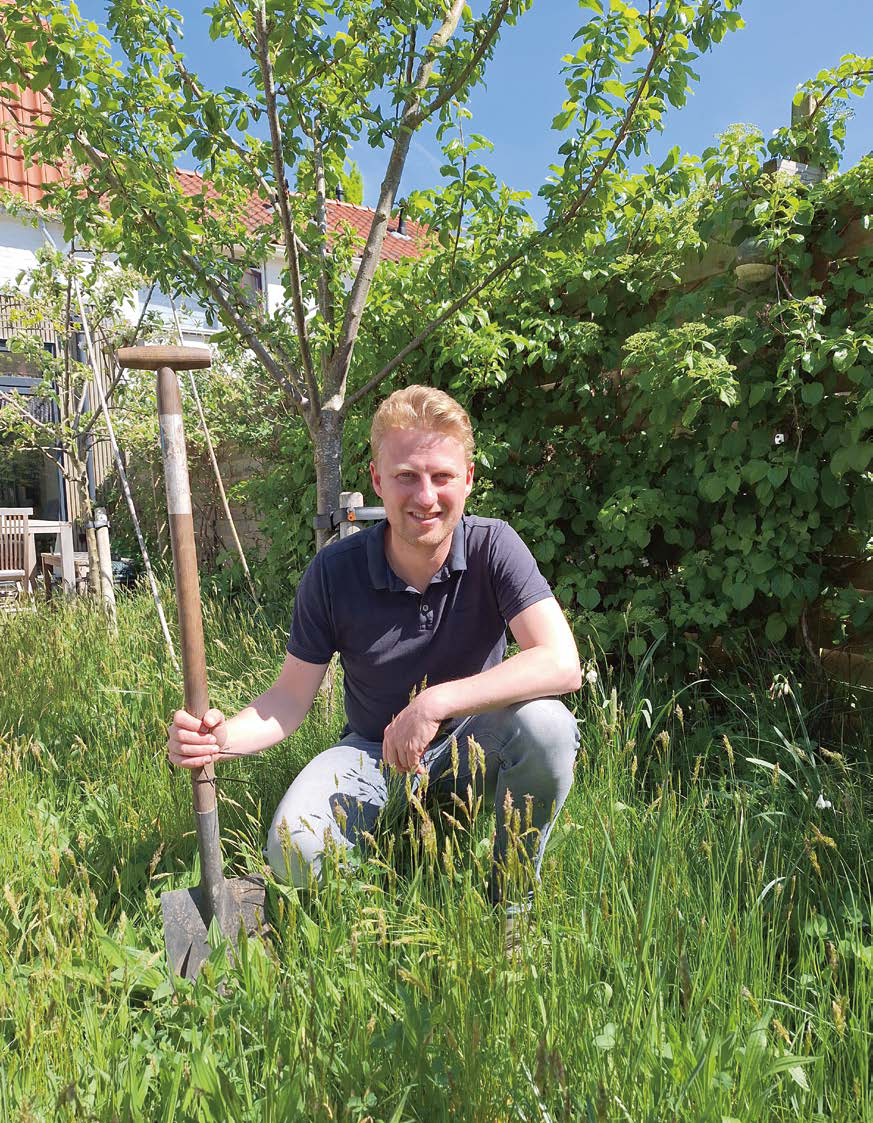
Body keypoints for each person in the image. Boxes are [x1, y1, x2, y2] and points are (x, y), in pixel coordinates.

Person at [168, 385, 581, 913]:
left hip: (476, 751)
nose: (425, 496)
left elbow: (561, 661)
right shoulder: (335, 572)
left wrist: (433, 704)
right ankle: (377, 913)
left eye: (442, 476)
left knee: (548, 726)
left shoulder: (493, 547)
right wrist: (218, 739)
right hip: (370, 758)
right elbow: (288, 701)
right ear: (377, 481)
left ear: (469, 480)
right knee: (294, 850)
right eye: (406, 476)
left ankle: (511, 904)